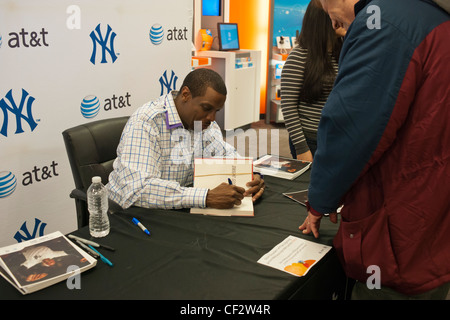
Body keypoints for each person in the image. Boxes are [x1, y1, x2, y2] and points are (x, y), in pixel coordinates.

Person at [299, 0, 450, 299]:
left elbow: (350, 128)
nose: (334, 27)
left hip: (396, 235)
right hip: (433, 220)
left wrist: (320, 200)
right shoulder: (432, 16)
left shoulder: (384, 22)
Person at [107, 68, 265, 211]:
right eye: (206, 108)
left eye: (216, 111)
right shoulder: (147, 122)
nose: (212, 118)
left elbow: (225, 154)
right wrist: (206, 197)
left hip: (174, 208)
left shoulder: (204, 123)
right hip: (129, 213)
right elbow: (138, 189)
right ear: (185, 95)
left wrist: (251, 174)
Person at [280, 0, 344, 161]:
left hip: (337, 138)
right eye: (334, 15)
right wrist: (302, 148)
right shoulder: (299, 56)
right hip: (310, 139)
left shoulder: (343, 53)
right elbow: (288, 107)